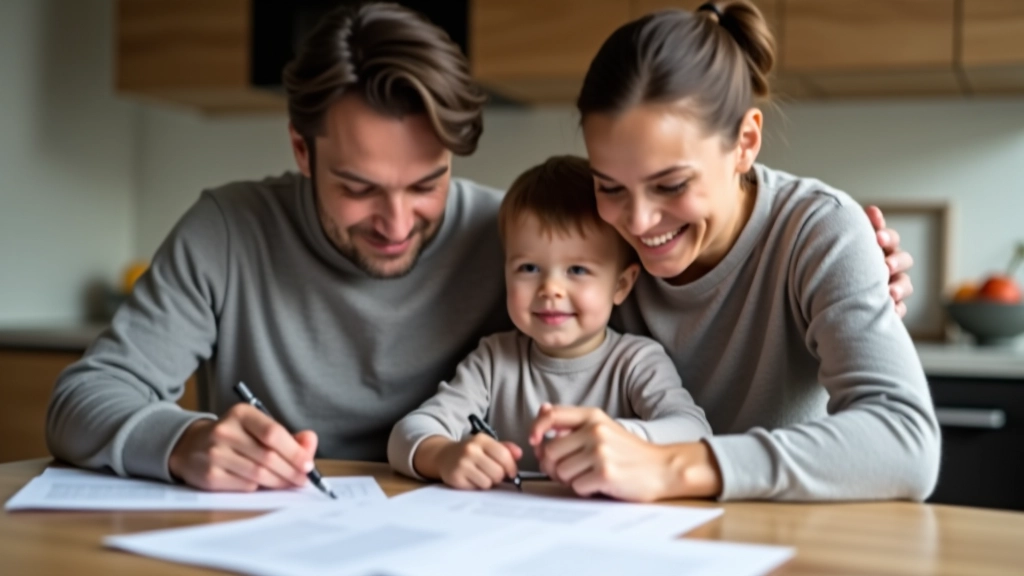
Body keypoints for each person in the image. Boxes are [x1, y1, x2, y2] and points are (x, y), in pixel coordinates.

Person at [45, 2, 914, 493]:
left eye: (425, 184)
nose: (394, 220)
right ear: (302, 152)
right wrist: (182, 439)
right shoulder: (229, 229)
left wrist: (852, 289)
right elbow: (85, 398)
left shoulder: (534, 239)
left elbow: (886, 431)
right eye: (357, 188)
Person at [528, 1, 940, 503]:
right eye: (610, 186)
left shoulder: (818, 230)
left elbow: (905, 441)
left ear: (745, 141)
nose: (637, 222)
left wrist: (670, 467)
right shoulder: (589, 229)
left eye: (671, 184)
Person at [388, 156, 711, 489]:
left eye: (577, 270)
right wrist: (444, 456)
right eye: (528, 268)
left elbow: (695, 431)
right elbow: (406, 435)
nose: (550, 290)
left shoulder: (636, 362)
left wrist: (622, 439)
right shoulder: (493, 361)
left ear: (621, 285)